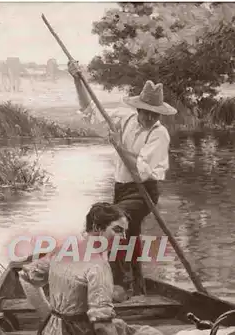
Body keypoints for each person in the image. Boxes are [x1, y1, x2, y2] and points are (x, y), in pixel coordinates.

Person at [18, 202, 167, 335]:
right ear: (97, 228)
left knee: (121, 326)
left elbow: (26, 278)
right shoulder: (98, 266)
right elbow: (101, 327)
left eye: (124, 232)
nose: (122, 238)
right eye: (117, 230)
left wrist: (48, 316)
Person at [67, 60, 177, 295]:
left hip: (144, 191)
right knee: (130, 238)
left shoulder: (160, 134)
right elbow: (89, 113)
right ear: (138, 109)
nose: (149, 118)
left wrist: (119, 145)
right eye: (146, 113)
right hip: (122, 189)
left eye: (154, 115)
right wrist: (78, 80)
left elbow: (139, 171)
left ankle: (116, 284)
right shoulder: (124, 119)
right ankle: (137, 287)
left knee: (111, 222)